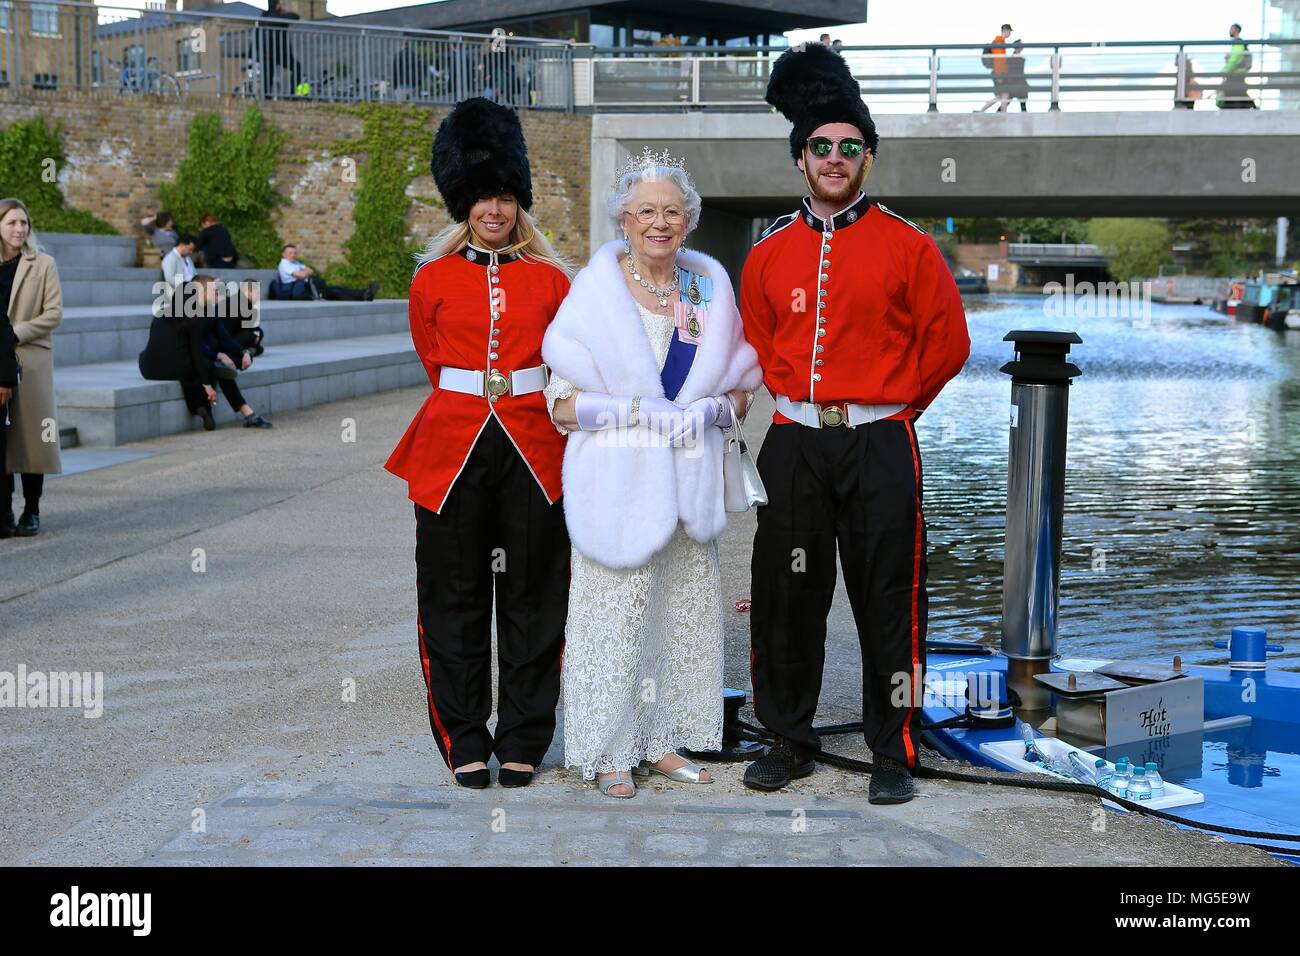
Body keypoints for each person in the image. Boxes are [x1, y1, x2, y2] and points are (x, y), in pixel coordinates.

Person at [740, 44, 970, 804]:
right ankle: (788, 737)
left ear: (867, 158)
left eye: (849, 146)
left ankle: (893, 749)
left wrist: (895, 411)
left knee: (889, 599)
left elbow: (948, 346)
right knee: (786, 595)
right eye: (820, 146)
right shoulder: (768, 252)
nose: (834, 158)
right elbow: (755, 340)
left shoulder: (909, 245)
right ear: (799, 159)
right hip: (795, 442)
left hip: (880, 441)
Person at [541, 149, 762, 798]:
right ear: (623, 219)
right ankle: (610, 750)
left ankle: (660, 741)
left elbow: (743, 387)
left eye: (671, 211)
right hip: (617, 483)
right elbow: (562, 406)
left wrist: (714, 411)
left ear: (689, 219)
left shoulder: (704, 289)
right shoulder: (597, 293)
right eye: (646, 212)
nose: (659, 223)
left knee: (679, 614)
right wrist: (634, 411)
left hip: (688, 478)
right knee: (613, 619)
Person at [385, 98, 574, 790]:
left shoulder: (553, 281)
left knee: (534, 594)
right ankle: (464, 735)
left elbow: (567, 362)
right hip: (453, 446)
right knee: (453, 595)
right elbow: (433, 359)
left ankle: (523, 735)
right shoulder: (430, 278)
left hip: (533, 444)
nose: (493, 210)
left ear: (518, 203)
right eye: (480, 198)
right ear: (461, 204)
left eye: (504, 196)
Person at [1, 198, 63, 538]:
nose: (19, 229)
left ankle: (33, 508)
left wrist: (13, 333)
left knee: (34, 438)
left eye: (23, 223)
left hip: (31, 359)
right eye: (11, 222)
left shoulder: (43, 263)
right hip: (0, 359)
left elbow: (54, 314)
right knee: (4, 441)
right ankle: (5, 511)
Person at [193, 275, 273, 428]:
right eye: (215, 291)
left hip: (207, 352)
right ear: (203, 292)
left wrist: (243, 352)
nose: (220, 295)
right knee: (217, 367)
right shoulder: (190, 313)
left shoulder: (210, 312)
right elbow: (195, 345)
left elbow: (224, 336)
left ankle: (248, 414)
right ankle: (243, 414)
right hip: (189, 356)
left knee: (221, 368)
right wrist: (219, 354)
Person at [138, 286, 220, 432]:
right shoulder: (193, 321)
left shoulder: (159, 315)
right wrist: (207, 385)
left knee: (144, 355)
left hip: (150, 369)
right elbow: (197, 356)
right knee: (203, 368)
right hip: (176, 370)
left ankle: (199, 407)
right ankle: (204, 409)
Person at [275, 245, 377, 301]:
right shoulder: (285, 264)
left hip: (311, 286)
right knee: (335, 292)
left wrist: (304, 271)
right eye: (290, 253)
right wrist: (304, 271)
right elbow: (301, 275)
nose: (293, 255)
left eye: (294, 253)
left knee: (337, 288)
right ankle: (363, 295)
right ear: (283, 254)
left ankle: (364, 293)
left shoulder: (295, 263)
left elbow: (311, 270)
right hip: (306, 289)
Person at [260, 1, 301, 99]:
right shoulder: (277, 17)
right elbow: (295, 16)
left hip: (271, 52)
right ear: (277, 5)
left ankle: (267, 97)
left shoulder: (264, 17)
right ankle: (291, 94)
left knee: (268, 75)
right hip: (277, 52)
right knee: (296, 68)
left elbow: (295, 17)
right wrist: (285, 12)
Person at [1217, 23, 1254, 109]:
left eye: (1231, 29)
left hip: (1236, 74)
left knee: (1231, 92)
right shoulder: (1240, 43)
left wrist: (1224, 71)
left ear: (1236, 30)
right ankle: (1253, 108)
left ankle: (1252, 108)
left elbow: (1235, 58)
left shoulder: (1238, 42)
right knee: (1238, 93)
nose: (1230, 31)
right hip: (1239, 74)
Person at [977, 24, 1012, 112]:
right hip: (999, 73)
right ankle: (1002, 116)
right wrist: (999, 75)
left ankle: (982, 110)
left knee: (1002, 96)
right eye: (1009, 32)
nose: (1010, 34)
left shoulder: (999, 41)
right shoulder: (999, 42)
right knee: (1004, 95)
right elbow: (998, 60)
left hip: (999, 73)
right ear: (1005, 31)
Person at [1002, 31, 1029, 110]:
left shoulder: (1012, 58)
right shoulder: (1018, 59)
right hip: (1014, 83)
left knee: (1019, 103)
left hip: (1015, 83)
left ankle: (997, 116)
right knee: (1013, 102)